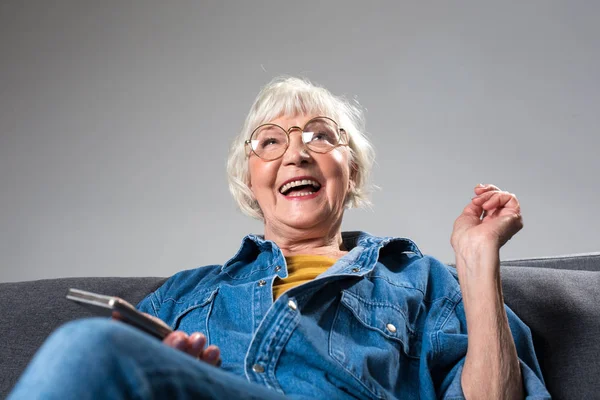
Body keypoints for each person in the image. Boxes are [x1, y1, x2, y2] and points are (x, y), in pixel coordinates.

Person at [9, 77, 550, 399]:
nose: (296, 153)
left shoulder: (423, 282)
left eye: (321, 135)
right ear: (251, 180)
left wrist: (477, 260)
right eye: (270, 141)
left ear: (352, 171)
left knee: (88, 345)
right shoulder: (181, 297)